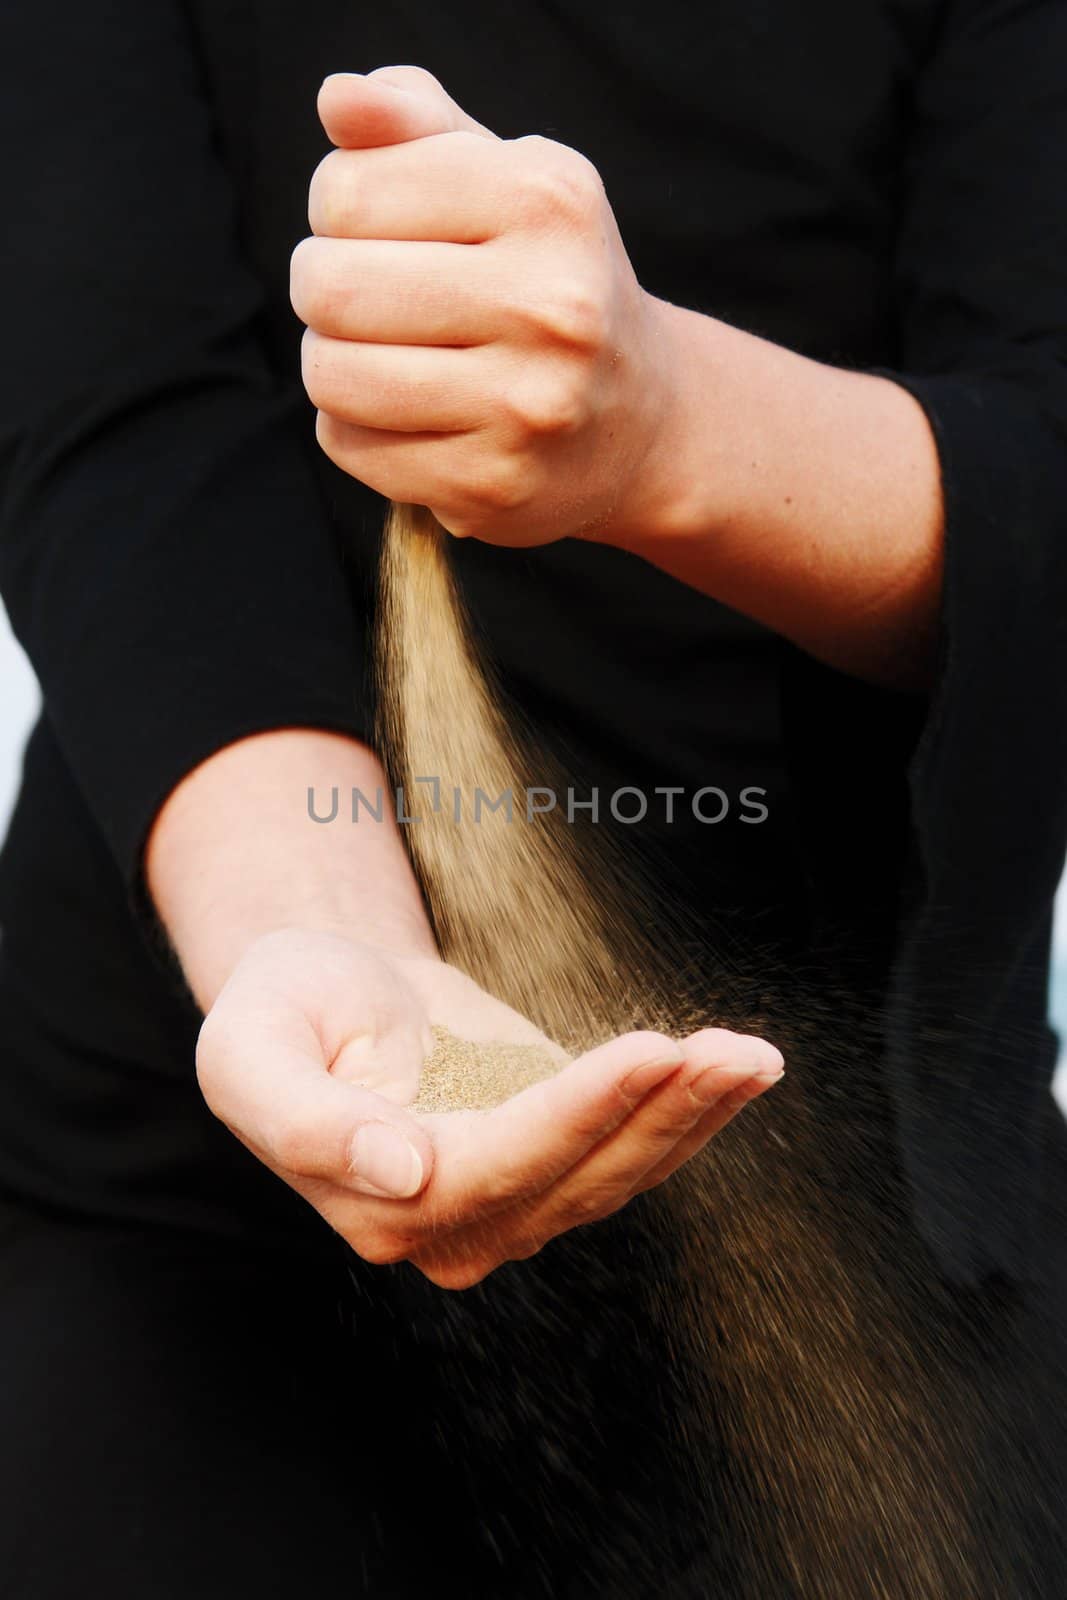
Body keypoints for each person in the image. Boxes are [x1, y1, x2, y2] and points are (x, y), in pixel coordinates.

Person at [1, 2, 1065, 1595]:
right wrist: (321, 942)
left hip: (873, 1145)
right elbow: (121, 420)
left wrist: (672, 429)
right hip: (203, 1139)